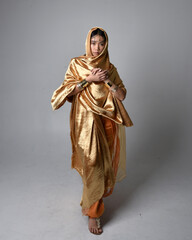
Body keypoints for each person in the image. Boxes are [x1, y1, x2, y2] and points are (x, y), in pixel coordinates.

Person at [51, 27, 133, 235]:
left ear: (106, 45)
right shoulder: (77, 64)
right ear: (88, 43)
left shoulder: (110, 68)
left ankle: (91, 201)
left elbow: (121, 96)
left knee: (103, 166)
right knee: (92, 162)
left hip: (107, 122)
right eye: (94, 42)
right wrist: (88, 79)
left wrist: (106, 80)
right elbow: (65, 92)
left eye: (101, 43)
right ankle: (94, 215)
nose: (97, 47)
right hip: (84, 122)